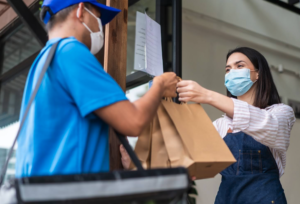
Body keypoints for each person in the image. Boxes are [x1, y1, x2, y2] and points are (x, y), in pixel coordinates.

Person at [15, 0, 178, 178]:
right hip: (69, 194)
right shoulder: (71, 52)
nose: (101, 27)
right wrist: (160, 85)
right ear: (81, 10)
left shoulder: (42, 62)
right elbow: (134, 121)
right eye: (99, 18)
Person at [176, 47, 296, 204]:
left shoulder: (281, 112)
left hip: (265, 198)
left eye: (239, 66)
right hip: (227, 198)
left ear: (258, 73)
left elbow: (269, 126)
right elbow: (192, 153)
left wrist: (207, 95)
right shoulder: (220, 124)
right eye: (228, 69)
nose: (232, 72)